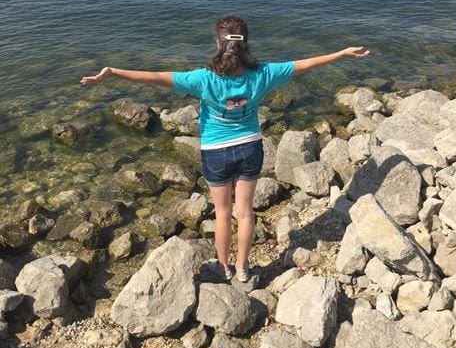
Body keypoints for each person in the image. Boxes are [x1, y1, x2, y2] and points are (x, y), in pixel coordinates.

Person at [80, 15, 370, 282]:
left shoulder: (203, 79)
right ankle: (243, 269)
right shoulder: (263, 74)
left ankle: (223, 266)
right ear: (246, 43)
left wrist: (112, 72)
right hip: (250, 148)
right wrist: (341, 53)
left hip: (215, 151)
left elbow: (155, 77)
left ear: (218, 43)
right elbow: (307, 63)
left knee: (222, 212)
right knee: (244, 212)